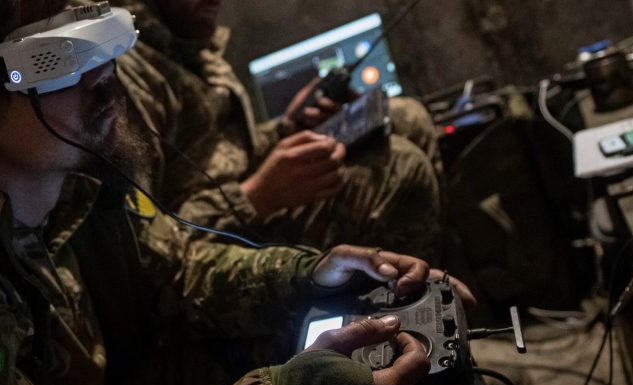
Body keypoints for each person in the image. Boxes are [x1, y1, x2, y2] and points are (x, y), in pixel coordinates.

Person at [0, 1, 490, 385]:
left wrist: (310, 271)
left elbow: (177, 263)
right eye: (52, 63)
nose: (102, 76)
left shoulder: (73, 168)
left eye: (96, 40)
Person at [113, 0, 445, 266]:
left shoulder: (188, 40)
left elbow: (221, 154)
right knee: (403, 165)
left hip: (244, 207)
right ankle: (411, 319)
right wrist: (256, 196)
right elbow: (147, 250)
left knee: (407, 116)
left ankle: (440, 296)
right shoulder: (126, 76)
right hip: (217, 248)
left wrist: (285, 130)